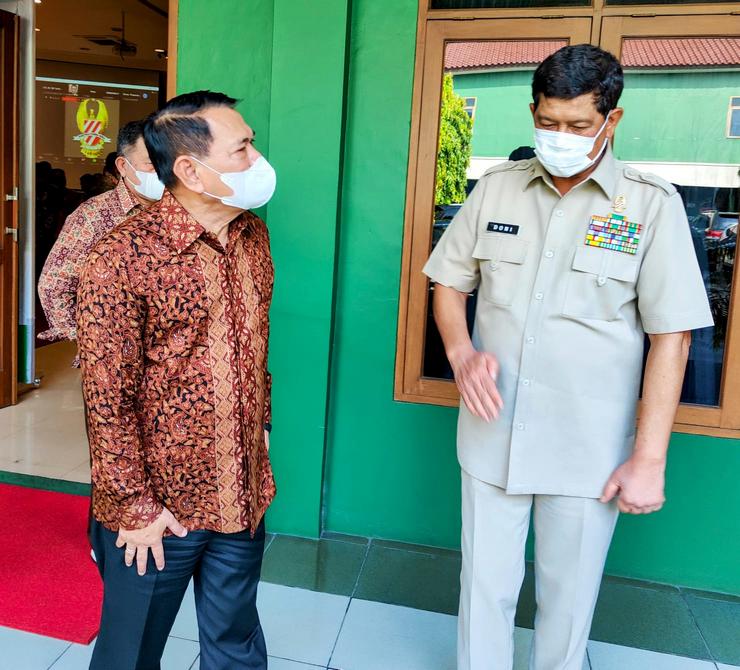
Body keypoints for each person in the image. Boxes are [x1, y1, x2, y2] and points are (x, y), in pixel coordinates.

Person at [423, 45, 712, 670]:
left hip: (587, 448)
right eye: (548, 122)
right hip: (493, 430)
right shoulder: (496, 189)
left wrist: (649, 460)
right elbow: (448, 282)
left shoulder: (649, 204)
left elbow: (674, 337)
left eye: (578, 125)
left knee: (568, 602)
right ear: (533, 112)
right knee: (484, 590)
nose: (560, 136)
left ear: (612, 119)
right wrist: (461, 352)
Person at [76, 91, 277, 670]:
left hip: (240, 491)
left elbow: (254, 347)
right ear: (190, 170)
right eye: (242, 148)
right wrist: (133, 506)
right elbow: (106, 397)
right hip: (158, 510)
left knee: (236, 643)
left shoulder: (252, 237)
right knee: (131, 653)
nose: (257, 159)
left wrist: (261, 429)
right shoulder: (119, 257)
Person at [38, 120, 165, 346]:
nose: (163, 171)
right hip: (113, 349)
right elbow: (54, 286)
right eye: (152, 163)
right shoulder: (93, 215)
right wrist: (90, 343)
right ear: (123, 166)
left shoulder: (182, 211)